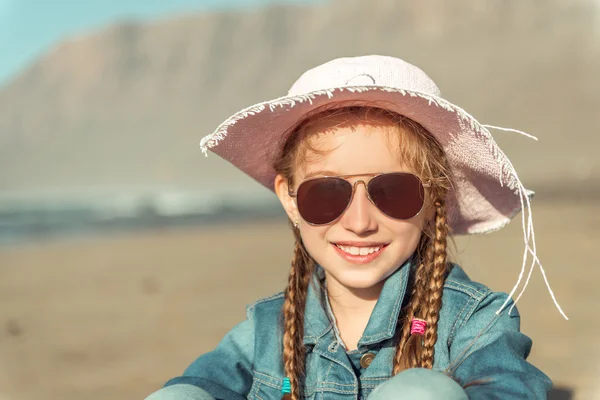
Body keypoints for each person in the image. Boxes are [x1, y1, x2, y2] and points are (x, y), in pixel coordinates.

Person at [146, 55, 560, 399]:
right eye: (326, 194)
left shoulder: (472, 321)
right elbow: (201, 385)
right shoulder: (267, 328)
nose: (360, 222)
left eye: (393, 191)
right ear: (290, 199)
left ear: (433, 198)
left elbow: (511, 388)